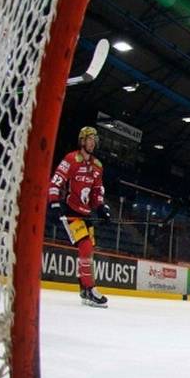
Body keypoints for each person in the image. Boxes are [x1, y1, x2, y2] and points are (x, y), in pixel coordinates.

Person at [47, 126, 111, 308]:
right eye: (89, 139)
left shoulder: (98, 166)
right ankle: (90, 288)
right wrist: (54, 201)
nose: (92, 142)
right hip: (70, 211)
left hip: (86, 214)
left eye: (94, 139)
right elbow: (57, 180)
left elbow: (97, 191)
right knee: (85, 245)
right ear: (82, 141)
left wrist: (101, 207)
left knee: (88, 250)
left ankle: (84, 288)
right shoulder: (71, 159)